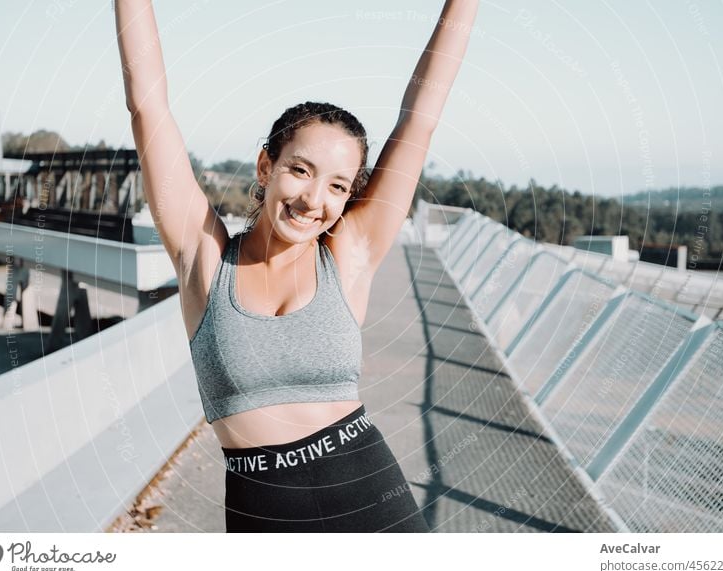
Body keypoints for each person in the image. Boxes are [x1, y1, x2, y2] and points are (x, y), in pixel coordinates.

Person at [115, 0, 478, 532]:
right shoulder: (205, 259)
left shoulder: (348, 256)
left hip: (373, 501)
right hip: (264, 515)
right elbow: (147, 108)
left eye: (337, 185)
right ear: (267, 165)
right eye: (301, 170)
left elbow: (420, 118)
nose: (314, 199)